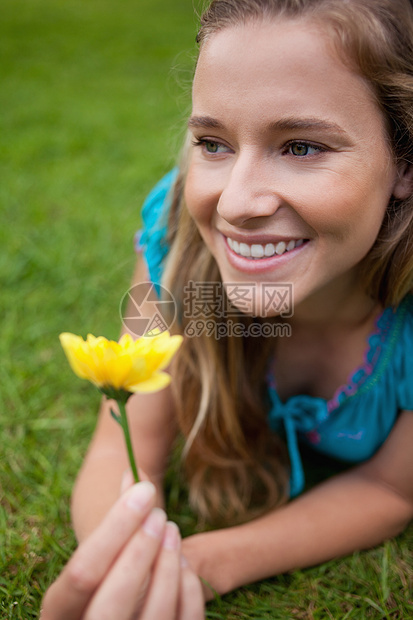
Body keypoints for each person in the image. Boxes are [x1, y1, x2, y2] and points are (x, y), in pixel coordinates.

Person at [41, 0, 413, 616]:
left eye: (300, 147)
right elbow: (123, 444)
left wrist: (204, 563)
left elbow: (390, 488)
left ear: (404, 163)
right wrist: (131, 570)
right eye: (213, 142)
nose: (235, 202)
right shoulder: (175, 241)